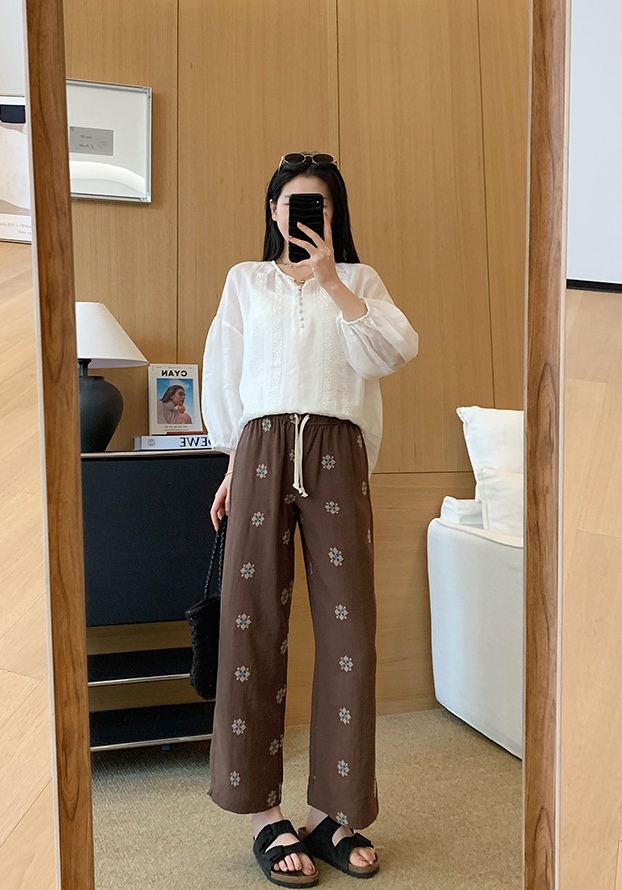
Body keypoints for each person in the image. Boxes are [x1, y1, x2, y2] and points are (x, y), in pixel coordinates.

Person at [201, 152, 419, 887]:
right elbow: (229, 377)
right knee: (250, 623)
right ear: (272, 211)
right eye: (293, 203)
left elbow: (393, 351)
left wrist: (330, 279)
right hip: (261, 449)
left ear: (334, 214)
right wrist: (231, 465)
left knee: (350, 630)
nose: (304, 216)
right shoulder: (246, 280)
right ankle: (265, 815)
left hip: (336, 453)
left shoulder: (359, 280)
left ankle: (335, 813)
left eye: (318, 206)